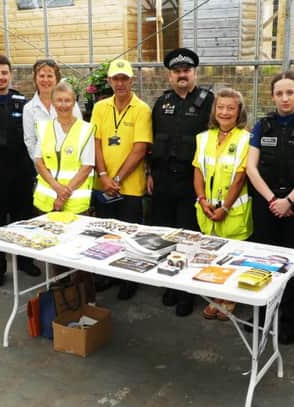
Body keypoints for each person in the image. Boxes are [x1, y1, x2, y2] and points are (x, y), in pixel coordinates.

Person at [245, 70, 294, 343]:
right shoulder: (261, 125)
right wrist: (272, 201)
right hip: (267, 205)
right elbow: (251, 168)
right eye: (279, 93)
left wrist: (288, 201)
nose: (285, 98)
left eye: (290, 92)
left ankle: (290, 321)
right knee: (263, 262)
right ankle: (262, 314)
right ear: (272, 96)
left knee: (293, 265)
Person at [148, 47, 214, 316]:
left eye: (186, 70)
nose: (182, 75)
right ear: (169, 76)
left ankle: (187, 292)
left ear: (194, 73)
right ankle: (170, 284)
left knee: (188, 237)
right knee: (166, 235)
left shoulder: (209, 102)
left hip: (191, 183)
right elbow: (153, 142)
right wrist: (149, 173)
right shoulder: (161, 103)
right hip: (163, 181)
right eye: (176, 71)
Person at [0, 54, 40, 288]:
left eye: (4, 73)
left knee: (24, 219)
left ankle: (24, 260)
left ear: (10, 75)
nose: (0, 77)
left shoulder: (22, 102)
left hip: (21, 170)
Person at [91, 59, 153, 300]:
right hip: (103, 184)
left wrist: (116, 178)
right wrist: (104, 176)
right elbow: (95, 142)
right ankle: (106, 275)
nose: (120, 83)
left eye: (124, 78)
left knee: (129, 235)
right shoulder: (100, 107)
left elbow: (140, 149)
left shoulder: (142, 109)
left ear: (131, 80)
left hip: (130, 187)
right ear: (109, 81)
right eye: (115, 78)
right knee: (107, 234)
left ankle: (128, 278)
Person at [194, 87, 253, 320]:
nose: (225, 112)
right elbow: (198, 170)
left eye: (231, 108)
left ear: (239, 112)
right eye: (221, 107)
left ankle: (228, 299)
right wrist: (201, 200)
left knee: (233, 256)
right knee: (213, 256)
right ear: (214, 110)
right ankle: (216, 296)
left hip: (232, 211)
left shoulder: (247, 139)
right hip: (207, 209)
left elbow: (240, 178)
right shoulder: (203, 137)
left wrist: (225, 208)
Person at [33, 81, 96, 215]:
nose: (63, 105)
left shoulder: (86, 129)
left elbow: (87, 167)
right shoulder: (44, 128)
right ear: (53, 103)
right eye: (59, 100)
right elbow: (39, 162)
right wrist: (56, 187)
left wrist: (62, 196)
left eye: (67, 100)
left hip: (75, 203)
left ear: (74, 102)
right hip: (46, 201)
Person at [23, 59, 82, 164]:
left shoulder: (71, 104)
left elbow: (79, 133)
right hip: (44, 168)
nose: (45, 80)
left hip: (70, 162)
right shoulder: (29, 108)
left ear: (57, 79)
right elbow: (30, 142)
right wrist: (43, 166)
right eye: (41, 76)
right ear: (35, 79)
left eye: (50, 76)